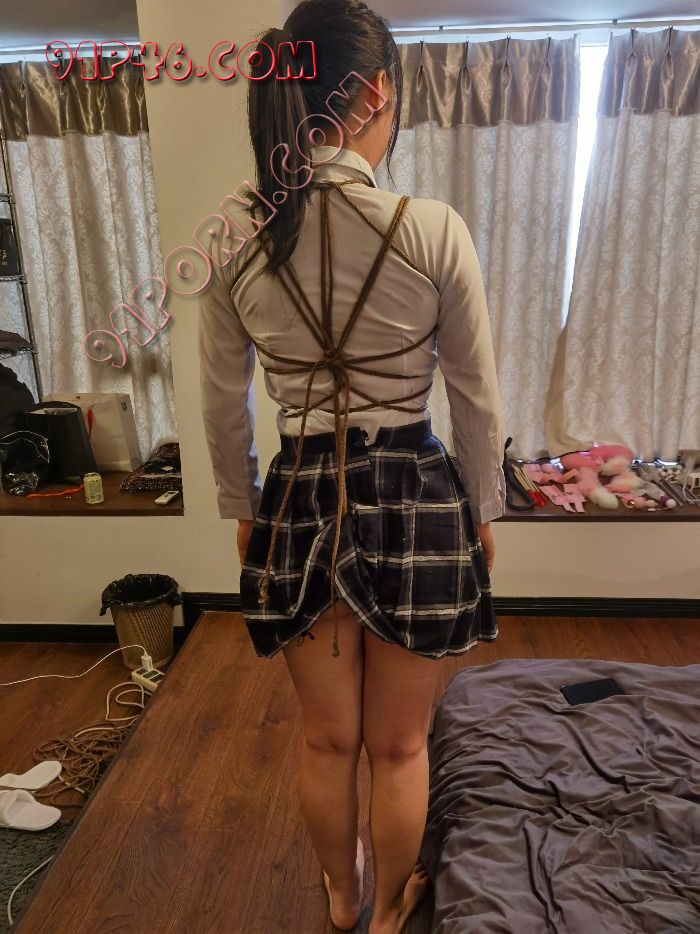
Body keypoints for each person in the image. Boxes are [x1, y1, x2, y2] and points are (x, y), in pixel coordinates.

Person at [198, 2, 506, 930]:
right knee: (400, 746)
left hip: (298, 496)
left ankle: (341, 898)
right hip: (414, 491)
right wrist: (484, 509)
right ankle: (389, 914)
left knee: (327, 741)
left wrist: (242, 506)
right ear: (376, 92)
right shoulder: (434, 228)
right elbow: (477, 398)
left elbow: (219, 403)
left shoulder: (235, 236)